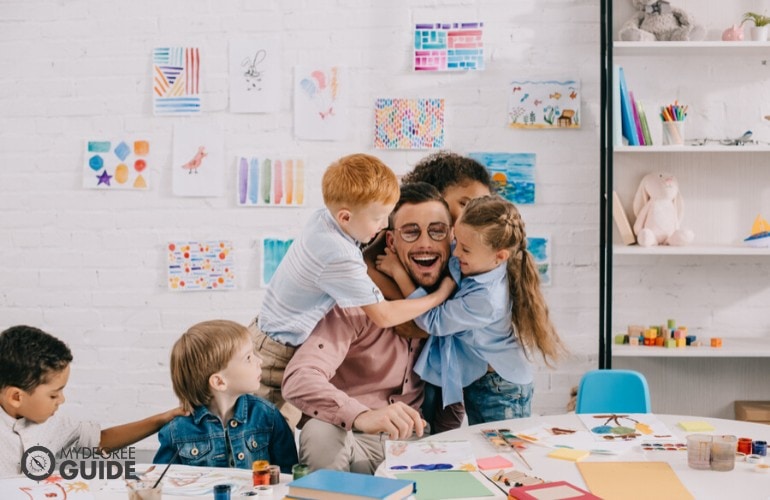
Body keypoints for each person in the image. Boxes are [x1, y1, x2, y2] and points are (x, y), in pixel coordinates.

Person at [252, 154, 454, 427]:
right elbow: (383, 315)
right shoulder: (338, 253)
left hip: (270, 333)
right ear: (345, 217)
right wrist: (437, 297)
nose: (383, 227)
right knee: (271, 437)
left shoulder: (325, 219)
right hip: (276, 353)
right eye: (379, 218)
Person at [282, 182, 455, 474]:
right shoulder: (355, 305)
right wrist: (361, 415)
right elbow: (299, 378)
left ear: (450, 239)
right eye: (411, 232)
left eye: (436, 231)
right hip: (354, 440)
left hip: (418, 447)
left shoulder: (455, 309)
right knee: (319, 431)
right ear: (390, 242)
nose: (425, 243)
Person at [377, 195, 566, 424]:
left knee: (499, 454)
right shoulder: (481, 259)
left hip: (500, 389)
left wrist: (398, 272)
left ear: (500, 256)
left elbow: (433, 321)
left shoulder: (487, 299)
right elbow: (455, 262)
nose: (455, 253)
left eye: (465, 250)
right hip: (481, 379)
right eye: (456, 239)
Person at [365, 151, 496, 433]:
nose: (474, 213)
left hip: (451, 372)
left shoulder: (465, 251)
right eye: (465, 204)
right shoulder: (382, 241)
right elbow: (408, 321)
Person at [0, 325, 183, 477]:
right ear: (16, 397)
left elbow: (100, 440)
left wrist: (161, 419)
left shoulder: (50, 424)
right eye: (53, 395)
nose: (61, 400)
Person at [153, 320, 298, 472]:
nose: (260, 361)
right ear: (219, 382)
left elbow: (288, 476)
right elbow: (163, 484)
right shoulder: (176, 431)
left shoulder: (268, 416)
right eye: (248, 358)